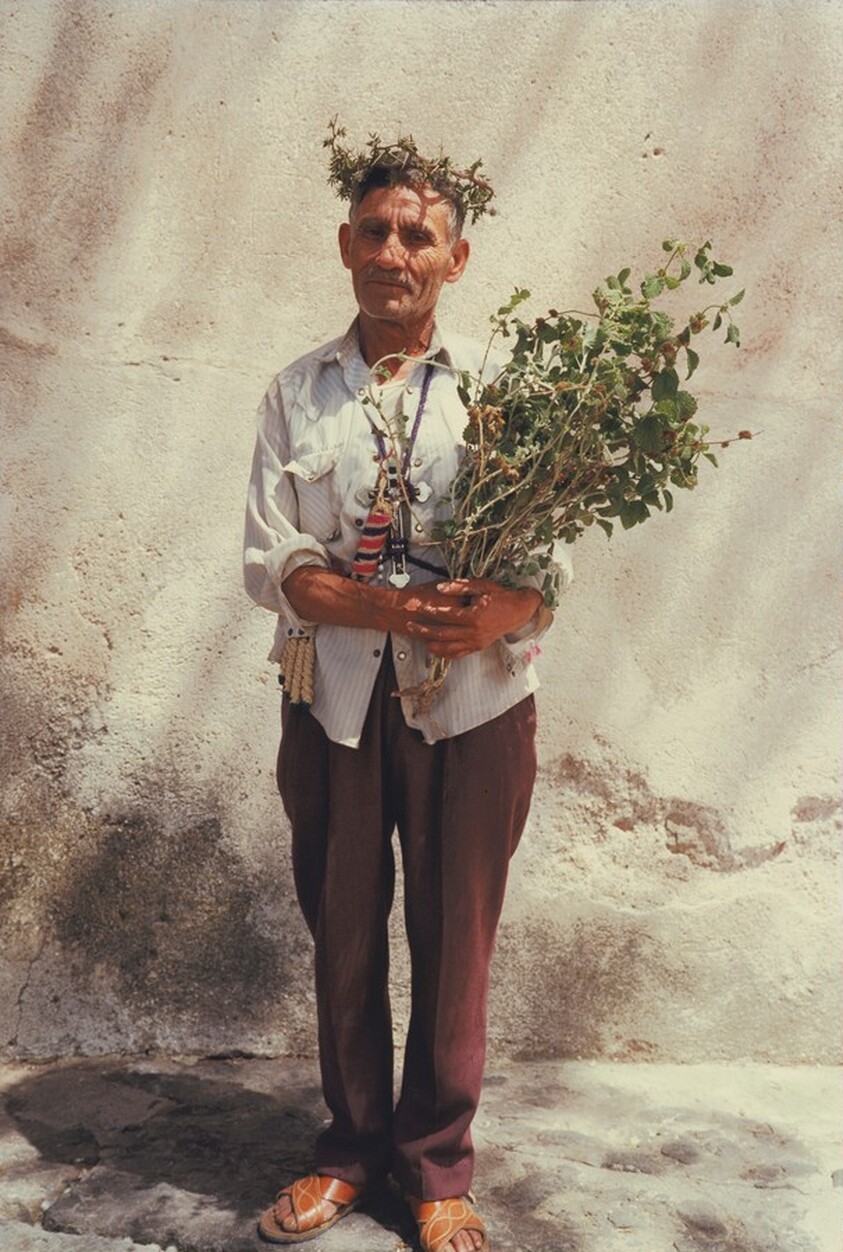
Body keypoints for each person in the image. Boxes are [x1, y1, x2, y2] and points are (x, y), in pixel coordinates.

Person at [244, 133, 569, 1252]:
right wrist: (380, 609)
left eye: (416, 234)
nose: (393, 250)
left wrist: (506, 608)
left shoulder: (504, 397)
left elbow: (552, 555)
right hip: (333, 702)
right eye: (374, 230)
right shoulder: (297, 393)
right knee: (342, 924)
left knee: (456, 929)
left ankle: (437, 1169)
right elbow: (271, 559)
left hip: (471, 705)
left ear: (455, 259)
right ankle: (349, 1148)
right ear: (346, 245)